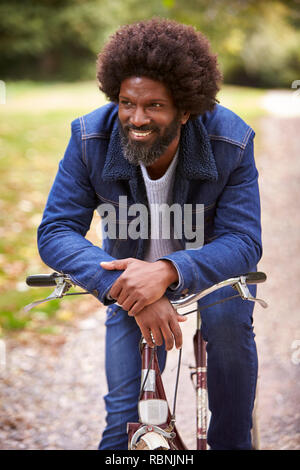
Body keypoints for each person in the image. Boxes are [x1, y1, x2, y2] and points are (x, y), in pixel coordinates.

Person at [37, 18, 262, 450]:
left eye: (155, 106)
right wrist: (126, 287)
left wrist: (167, 271)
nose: (136, 118)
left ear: (187, 109)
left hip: (209, 272)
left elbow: (243, 241)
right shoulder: (90, 139)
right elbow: (56, 230)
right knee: (124, 420)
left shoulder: (230, 141)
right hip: (129, 284)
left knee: (230, 326)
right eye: (126, 102)